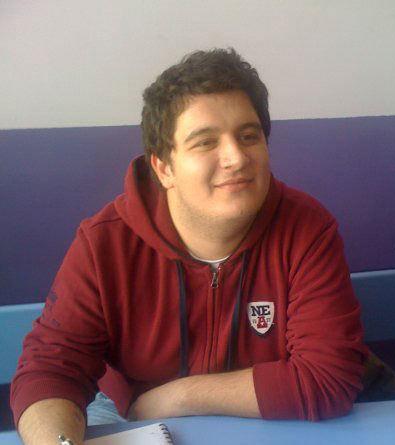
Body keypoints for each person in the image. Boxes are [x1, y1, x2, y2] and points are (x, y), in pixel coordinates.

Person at [11, 48, 369, 445]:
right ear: (164, 168)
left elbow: (328, 377)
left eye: (248, 136)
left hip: (268, 414)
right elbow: (49, 373)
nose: (236, 157)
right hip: (128, 412)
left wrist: (178, 397)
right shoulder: (104, 244)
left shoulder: (307, 229)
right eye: (205, 142)